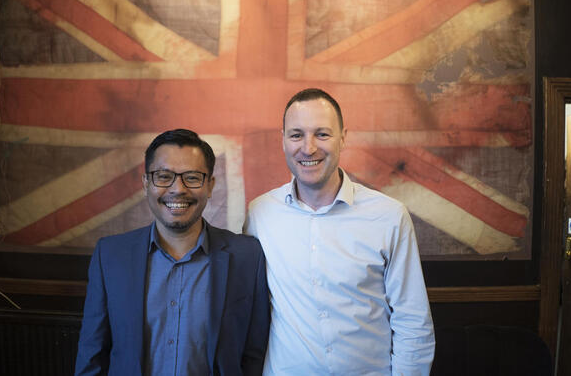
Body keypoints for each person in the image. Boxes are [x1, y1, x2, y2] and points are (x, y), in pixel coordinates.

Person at [245, 88, 435, 375]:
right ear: (282, 140)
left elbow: (413, 322)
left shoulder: (389, 216)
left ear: (343, 137)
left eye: (322, 134)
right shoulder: (260, 214)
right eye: (297, 135)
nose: (308, 148)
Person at [75, 129, 270, 376]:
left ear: (210, 186)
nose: (178, 189)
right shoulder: (111, 256)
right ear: (146, 183)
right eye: (164, 176)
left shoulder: (247, 256)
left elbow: (254, 356)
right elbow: (92, 355)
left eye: (192, 177)